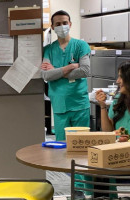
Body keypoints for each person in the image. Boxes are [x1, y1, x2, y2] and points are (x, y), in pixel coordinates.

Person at [41, 10, 91, 141]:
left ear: (70, 24)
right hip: (59, 105)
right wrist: (70, 67)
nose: (62, 26)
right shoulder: (48, 50)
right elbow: (46, 75)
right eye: (57, 24)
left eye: (64, 23)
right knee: (61, 147)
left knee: (81, 146)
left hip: (79, 104)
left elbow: (85, 71)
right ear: (52, 27)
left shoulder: (81, 45)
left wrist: (56, 71)